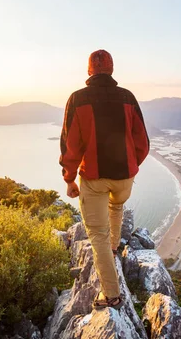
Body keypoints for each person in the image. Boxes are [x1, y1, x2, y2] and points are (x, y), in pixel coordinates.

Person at [59, 49, 149, 310]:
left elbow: (70, 145)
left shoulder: (78, 99)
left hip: (95, 178)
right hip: (125, 179)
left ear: (89, 71)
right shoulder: (127, 98)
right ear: (111, 70)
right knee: (116, 206)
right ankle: (113, 247)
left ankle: (110, 294)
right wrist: (131, 166)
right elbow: (142, 142)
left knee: (96, 234)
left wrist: (69, 179)